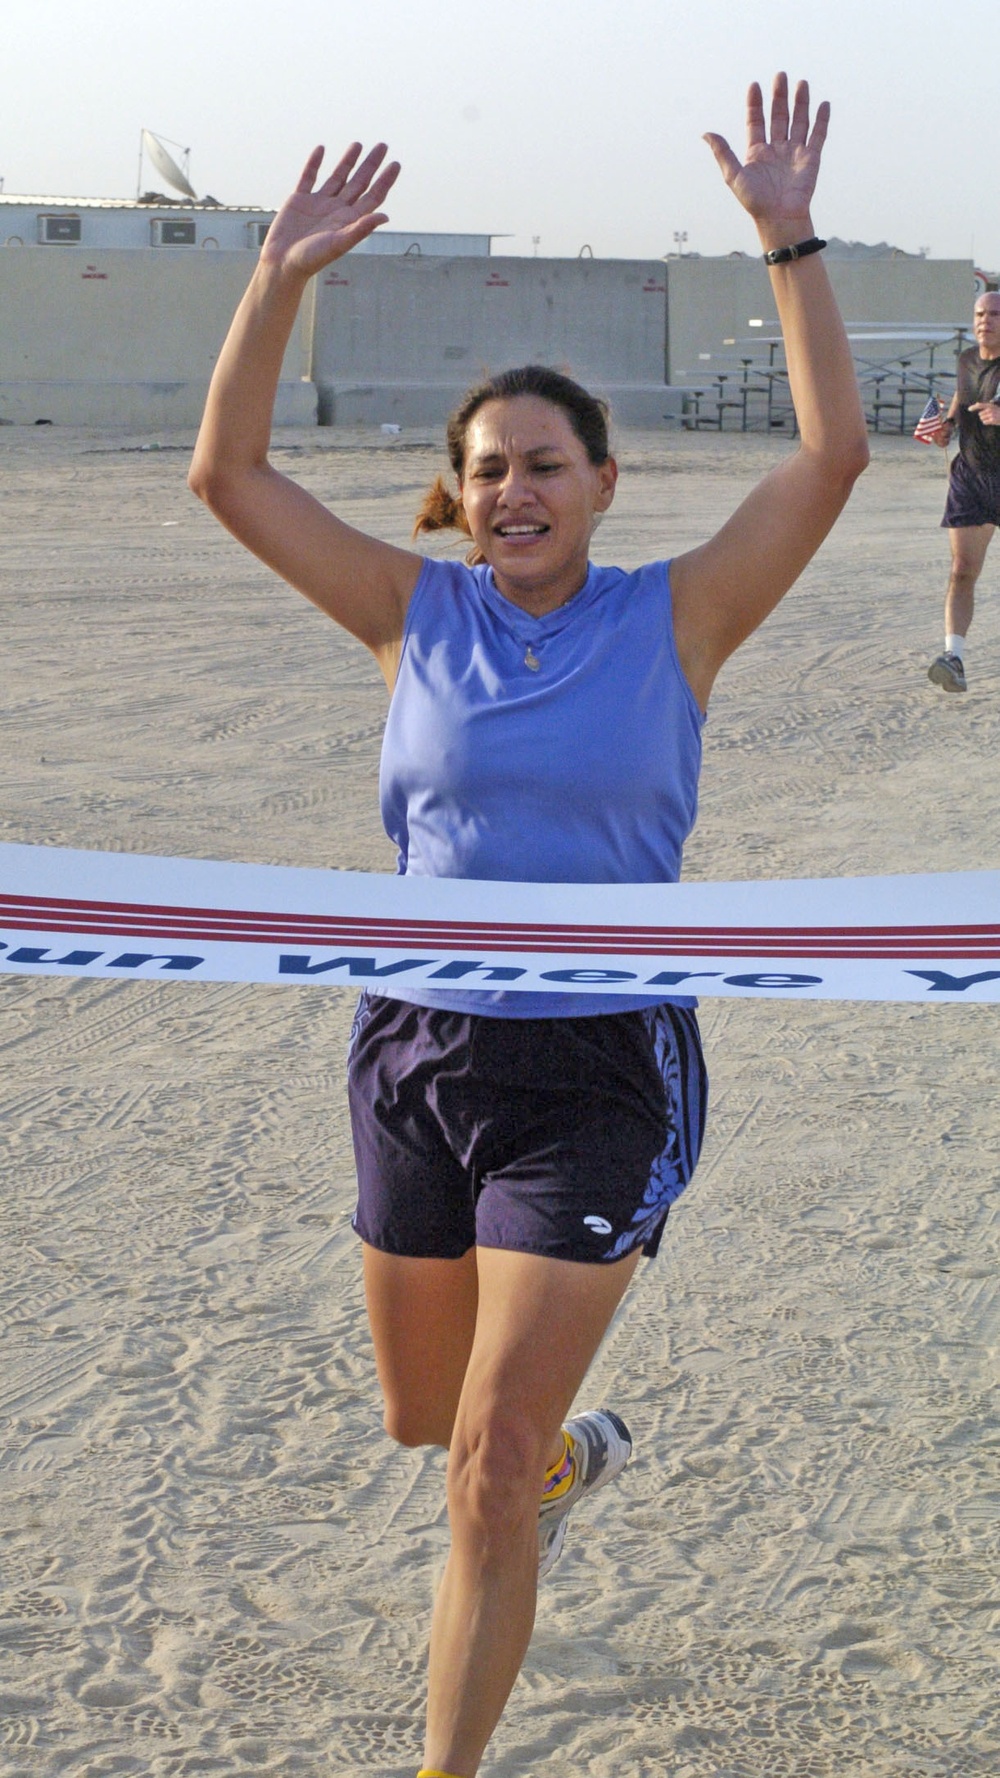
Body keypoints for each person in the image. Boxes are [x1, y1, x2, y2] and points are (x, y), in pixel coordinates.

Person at [189, 74, 868, 1778]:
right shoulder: (411, 614)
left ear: (602, 481)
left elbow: (834, 453)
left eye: (544, 465)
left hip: (600, 1068)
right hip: (415, 1049)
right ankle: (559, 1472)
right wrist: (277, 278)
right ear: (459, 490)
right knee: (430, 1420)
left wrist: (787, 238)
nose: (513, 490)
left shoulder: (683, 616)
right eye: (487, 468)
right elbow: (228, 473)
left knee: (485, 1452)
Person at [927, 290, 1000, 693]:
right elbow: (963, 393)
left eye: (993, 314)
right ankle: (953, 657)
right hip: (971, 475)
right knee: (962, 570)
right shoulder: (967, 359)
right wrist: (948, 425)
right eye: (979, 313)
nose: (984, 321)